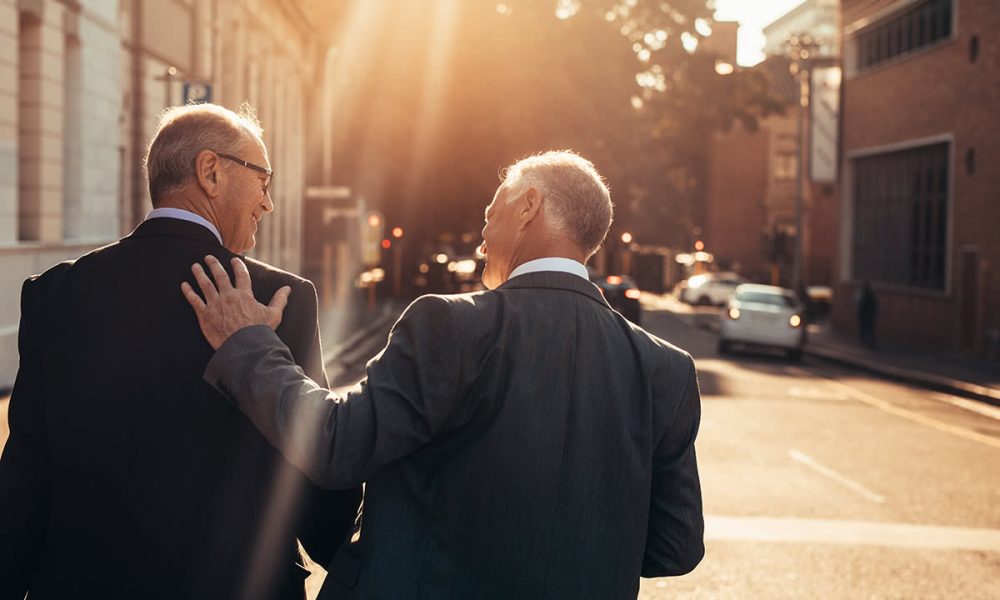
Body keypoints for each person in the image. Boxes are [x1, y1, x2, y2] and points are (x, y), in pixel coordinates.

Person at [184, 151, 704, 599]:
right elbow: (674, 546)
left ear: (529, 206)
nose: (482, 231)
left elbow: (336, 445)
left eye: (493, 206)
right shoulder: (666, 370)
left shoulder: (452, 326)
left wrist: (248, 343)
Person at [0, 103, 361, 599]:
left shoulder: (56, 292)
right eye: (264, 179)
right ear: (210, 171)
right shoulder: (276, 298)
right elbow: (314, 472)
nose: (268, 203)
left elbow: (24, 480)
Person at [857, 280, 878, 349]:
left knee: (867, 329)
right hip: (866, 315)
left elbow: (861, 304)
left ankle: (868, 343)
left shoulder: (867, 294)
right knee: (867, 329)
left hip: (866, 315)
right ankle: (867, 342)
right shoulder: (865, 294)